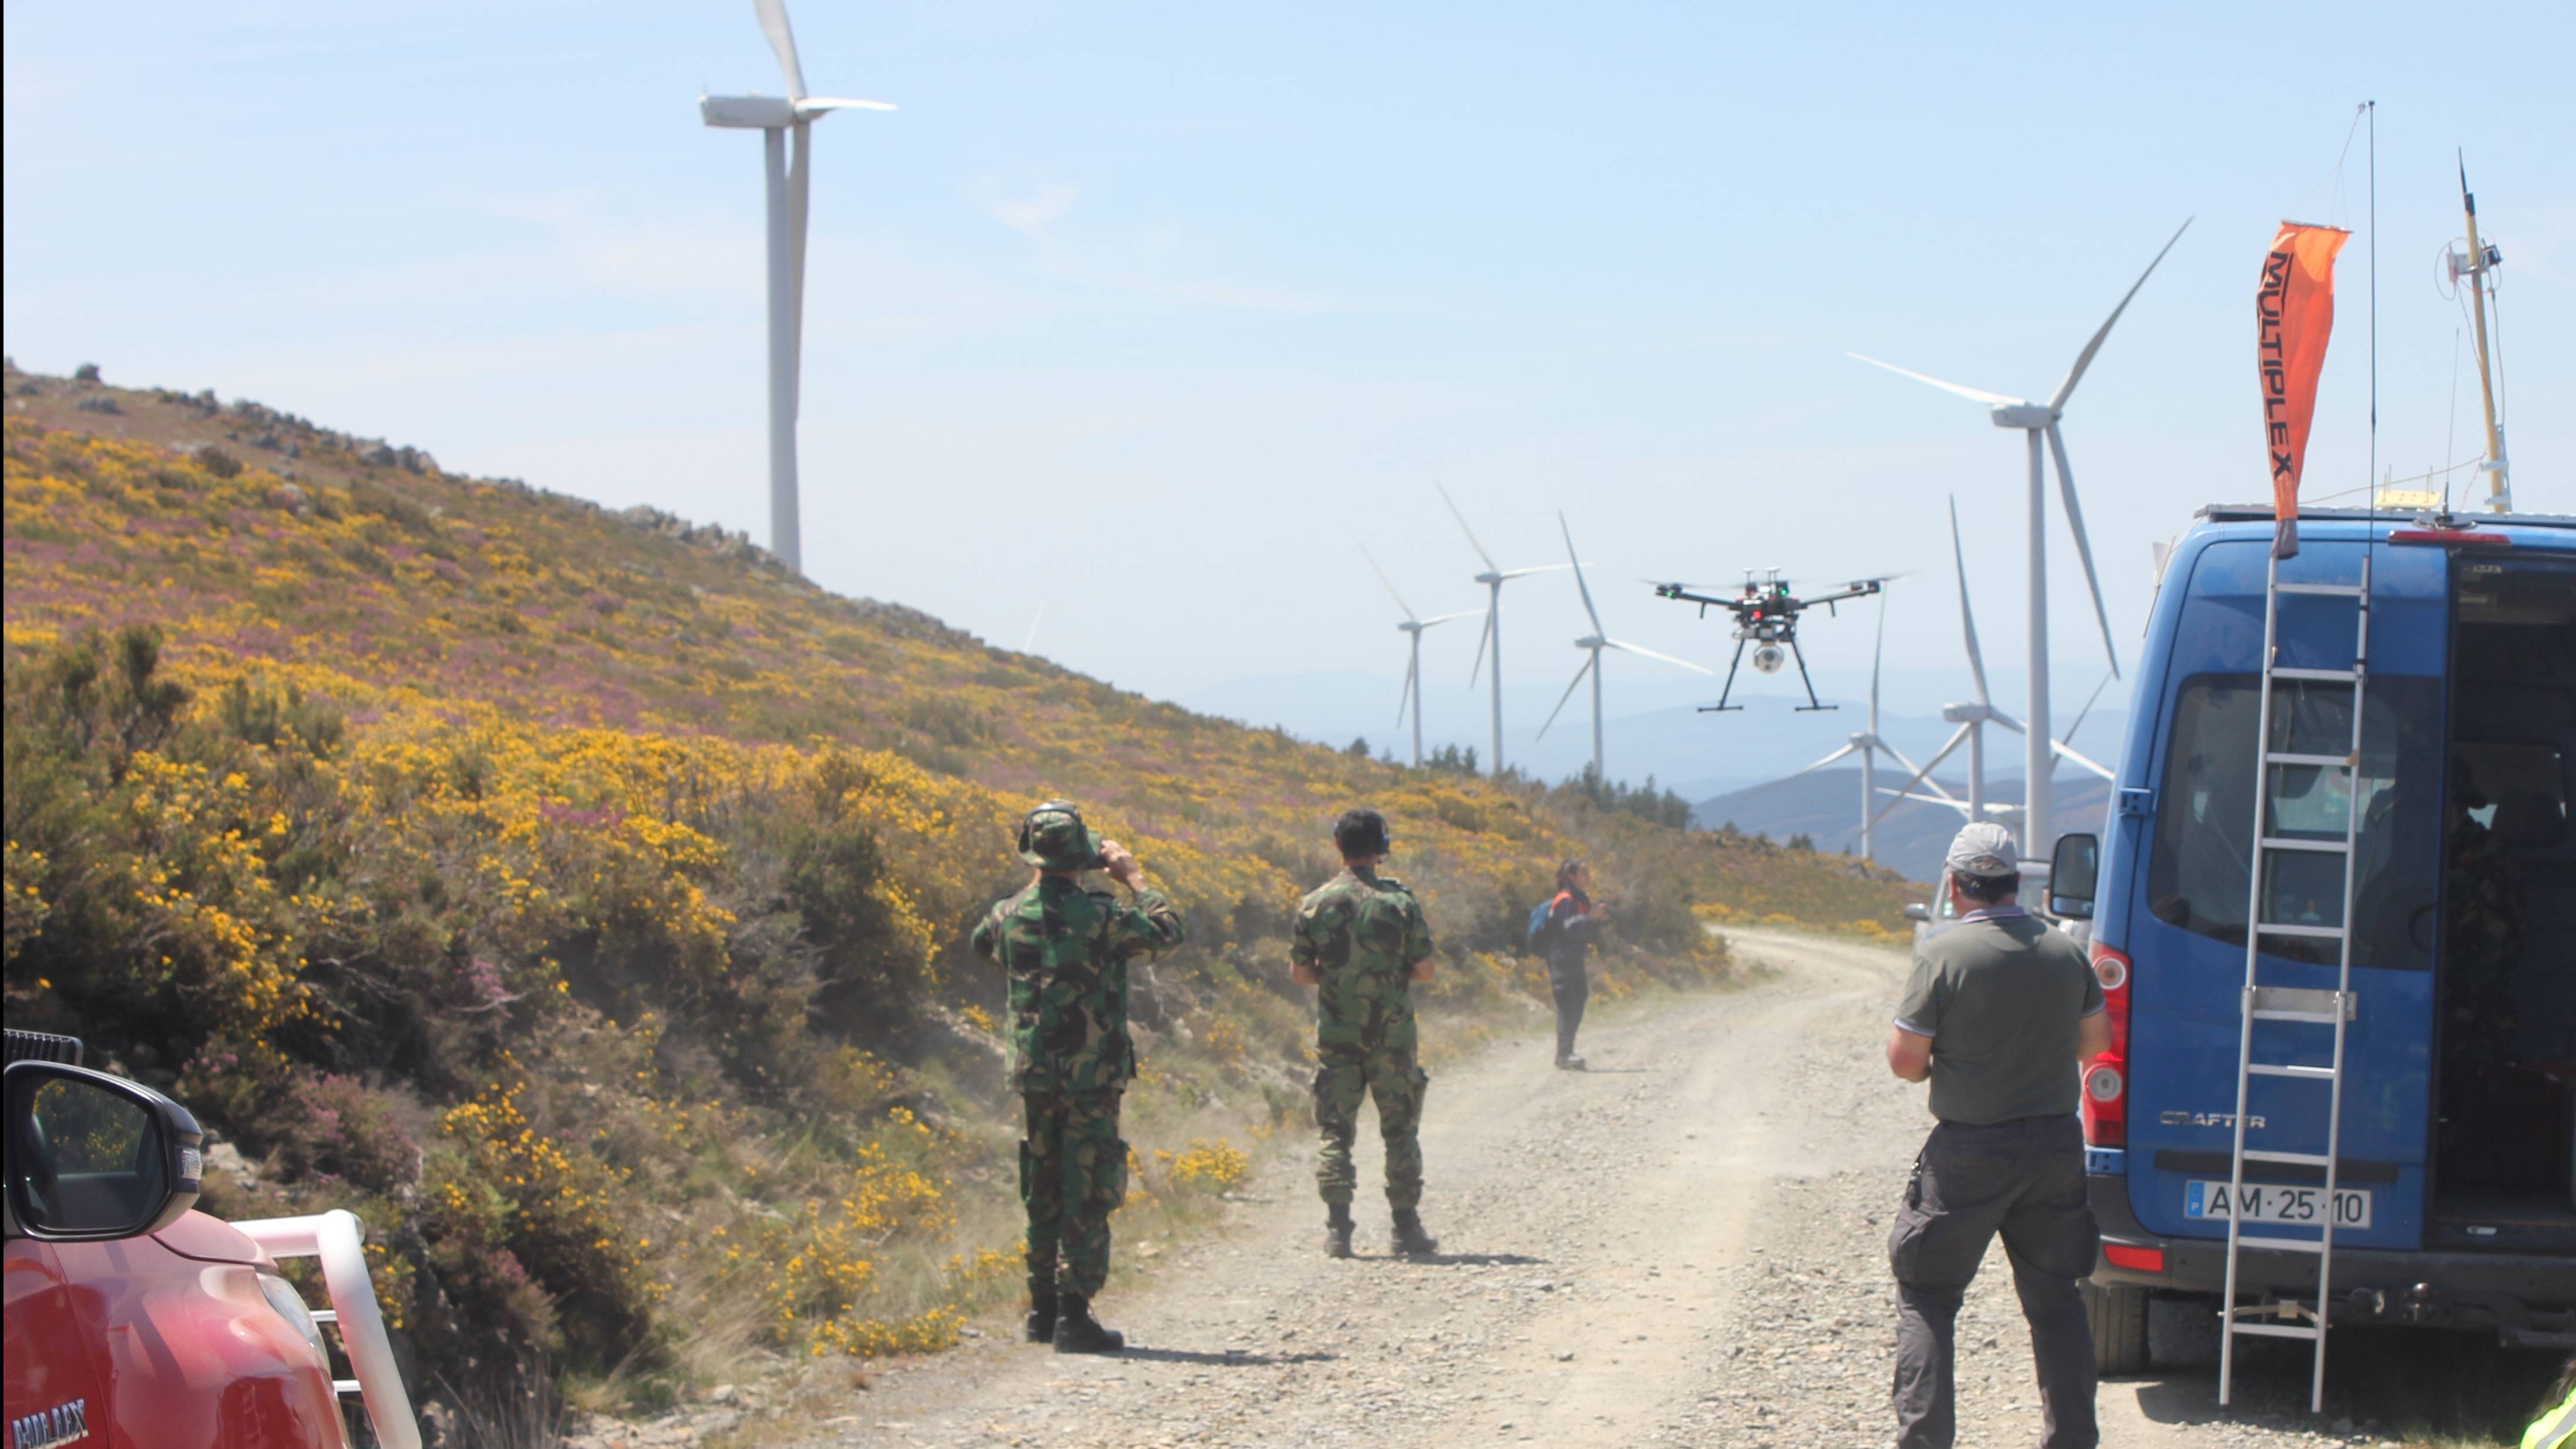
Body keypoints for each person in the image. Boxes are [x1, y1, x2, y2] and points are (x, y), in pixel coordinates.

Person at [1883, 821, 2111, 1449]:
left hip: (1970, 1151)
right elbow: (2095, 1046)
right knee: (2057, 1303)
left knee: (1929, 1295)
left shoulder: (1943, 953)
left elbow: (1906, 1062)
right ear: (2015, 882)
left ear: (1956, 885)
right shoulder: (2066, 951)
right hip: (2056, 1147)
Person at [970, 799, 1185, 1354]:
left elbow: (981, 944)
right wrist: (1133, 875)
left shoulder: (1007, 913)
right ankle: (1074, 1314)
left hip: (1035, 1070)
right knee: (1087, 1187)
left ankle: (1042, 1310)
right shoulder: (1102, 914)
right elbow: (1167, 931)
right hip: (1092, 1075)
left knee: (1042, 1183)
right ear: (1084, 854)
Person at [1291, 806, 1439, 1258]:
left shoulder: (1315, 903)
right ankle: (1406, 1228)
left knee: (1336, 1132)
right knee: (1400, 1129)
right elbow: (1426, 970)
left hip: (1338, 1035)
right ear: (1382, 847)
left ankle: (1339, 1229)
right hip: (1392, 1036)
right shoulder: (1401, 903)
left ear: (1339, 845)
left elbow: (1300, 973)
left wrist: (1338, 980)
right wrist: (1387, 978)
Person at [1540, 859, 1609, 1070]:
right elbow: (1569, 929)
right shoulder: (1566, 900)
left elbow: (1587, 933)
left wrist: (1595, 920)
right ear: (1572, 876)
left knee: (1578, 1000)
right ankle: (1563, 1055)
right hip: (1561, 959)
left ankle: (1567, 1053)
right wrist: (1590, 918)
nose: (1588, 877)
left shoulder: (1580, 899)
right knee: (1568, 1004)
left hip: (1573, 959)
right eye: (1584, 873)